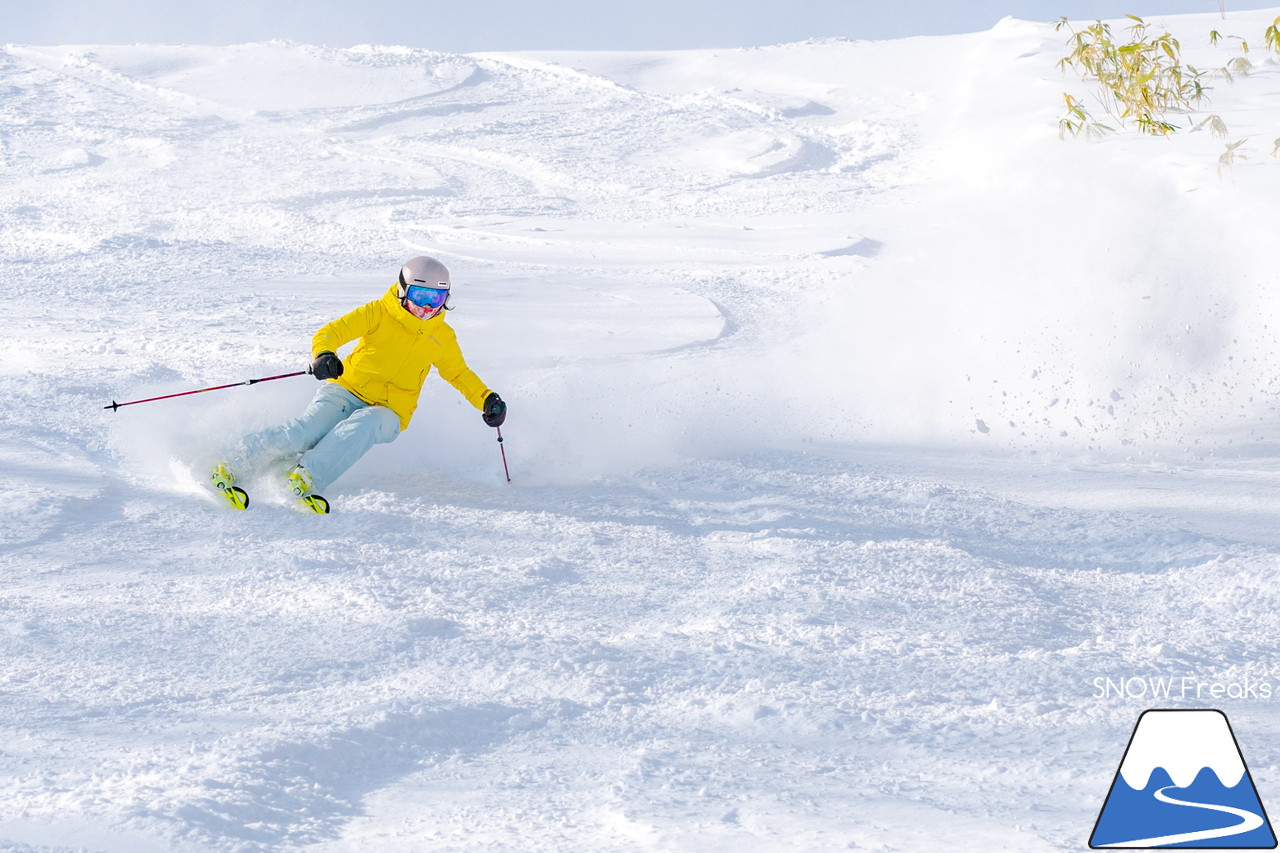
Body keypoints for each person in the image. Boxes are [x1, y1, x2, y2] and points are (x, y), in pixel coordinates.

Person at [211, 256, 506, 512]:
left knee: (362, 426)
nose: (427, 307)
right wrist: (325, 355)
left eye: (436, 299)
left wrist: (486, 398)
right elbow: (331, 332)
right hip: (347, 389)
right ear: (403, 290)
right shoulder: (378, 312)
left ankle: (306, 477)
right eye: (420, 296)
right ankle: (234, 461)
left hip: (391, 411)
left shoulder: (442, 336)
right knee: (308, 430)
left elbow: (458, 374)